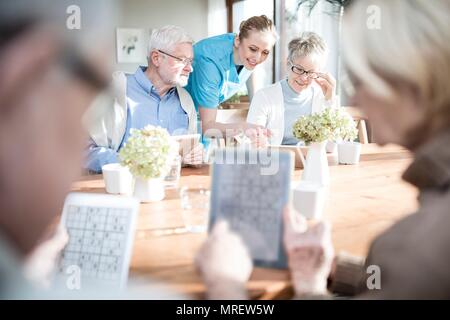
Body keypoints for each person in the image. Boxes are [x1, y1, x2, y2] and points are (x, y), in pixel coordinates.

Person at [196, 0, 450, 299]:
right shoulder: (420, 237)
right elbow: (396, 280)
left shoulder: (415, 246)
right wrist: (327, 272)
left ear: (409, 84)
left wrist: (225, 283)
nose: (354, 99)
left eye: (360, 80)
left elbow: (409, 269)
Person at [85, 25, 203, 173]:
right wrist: (134, 163)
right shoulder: (115, 90)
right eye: (182, 60)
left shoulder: (185, 102)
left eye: (190, 61)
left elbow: (186, 152)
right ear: (156, 58)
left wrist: (194, 155)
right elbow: (86, 152)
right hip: (122, 191)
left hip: (172, 190)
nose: (189, 68)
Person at [185, 15, 278, 141]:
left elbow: (254, 93)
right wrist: (242, 127)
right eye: (253, 49)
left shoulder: (248, 53)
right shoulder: (209, 62)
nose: (258, 58)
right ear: (237, 41)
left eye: (265, 52)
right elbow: (208, 128)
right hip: (183, 117)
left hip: (205, 119)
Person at [246, 32, 337, 145]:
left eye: (311, 72)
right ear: (288, 64)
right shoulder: (264, 96)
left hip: (311, 160)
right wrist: (258, 139)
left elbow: (332, 145)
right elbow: (252, 139)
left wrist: (330, 101)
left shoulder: (321, 97)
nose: (304, 78)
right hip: (276, 160)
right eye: (299, 69)